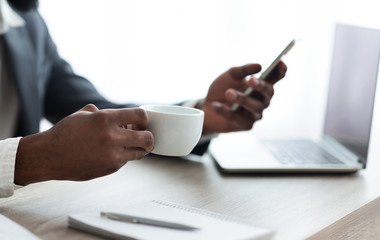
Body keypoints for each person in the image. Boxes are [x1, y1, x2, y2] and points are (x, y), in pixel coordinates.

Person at [0, 0, 287, 198]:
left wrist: (198, 116)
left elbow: (95, 112)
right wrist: (32, 158)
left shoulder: (26, 22)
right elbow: (48, 149)